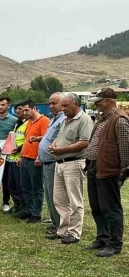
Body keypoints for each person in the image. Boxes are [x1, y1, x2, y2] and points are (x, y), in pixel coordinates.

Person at [84, 88, 129, 257]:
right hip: (96, 166)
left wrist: (123, 171)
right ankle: (102, 237)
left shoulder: (120, 120)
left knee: (110, 208)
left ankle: (114, 243)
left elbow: (125, 149)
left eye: (99, 101)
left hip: (109, 169)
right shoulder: (103, 119)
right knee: (97, 206)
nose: (96, 104)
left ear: (109, 100)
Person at [45, 93, 93, 244]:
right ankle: (63, 230)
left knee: (74, 200)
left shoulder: (84, 119)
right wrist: (54, 146)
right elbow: (60, 138)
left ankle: (74, 232)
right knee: (59, 199)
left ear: (76, 104)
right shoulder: (65, 120)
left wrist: (62, 150)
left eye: (66, 106)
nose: (63, 109)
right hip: (60, 163)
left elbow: (85, 142)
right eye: (62, 106)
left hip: (74, 162)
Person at [35, 93, 67, 230]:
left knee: (56, 195)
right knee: (49, 194)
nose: (51, 106)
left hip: (54, 162)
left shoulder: (63, 120)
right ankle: (55, 220)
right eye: (50, 103)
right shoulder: (54, 119)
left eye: (54, 103)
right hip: (46, 161)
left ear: (63, 104)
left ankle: (59, 224)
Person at [18, 100, 50, 223]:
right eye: (23, 110)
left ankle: (36, 213)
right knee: (25, 186)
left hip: (35, 159)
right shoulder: (29, 123)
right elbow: (26, 141)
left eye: (27, 110)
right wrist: (21, 156)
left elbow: (45, 140)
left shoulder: (44, 121)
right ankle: (29, 209)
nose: (24, 112)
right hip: (26, 158)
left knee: (36, 188)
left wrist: (39, 157)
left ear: (34, 108)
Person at [7, 103, 28, 218]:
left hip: (21, 157)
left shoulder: (28, 123)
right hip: (11, 158)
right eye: (17, 109)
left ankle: (24, 207)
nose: (18, 111)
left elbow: (28, 140)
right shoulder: (16, 123)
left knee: (20, 185)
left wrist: (19, 149)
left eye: (20, 109)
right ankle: (17, 204)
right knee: (11, 184)